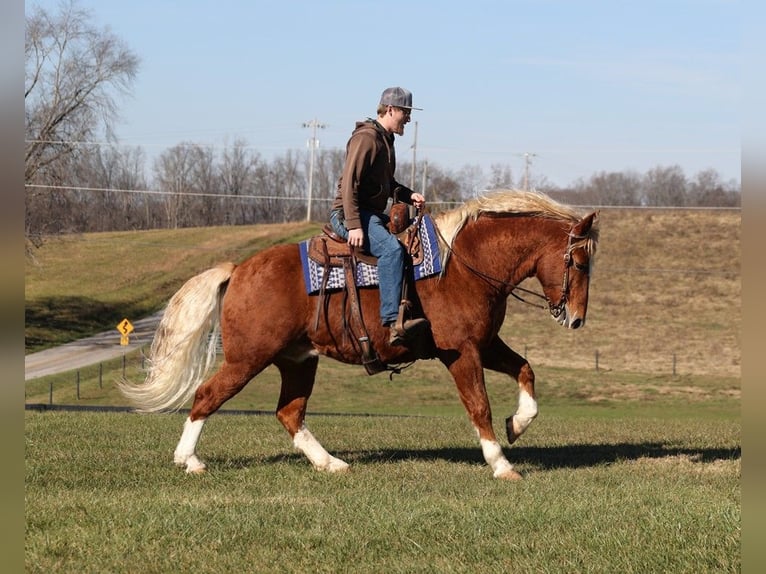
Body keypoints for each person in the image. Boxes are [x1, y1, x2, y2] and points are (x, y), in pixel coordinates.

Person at [329, 86, 430, 346]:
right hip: (348, 215)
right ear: (390, 109)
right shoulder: (366, 138)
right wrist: (354, 226)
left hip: (368, 214)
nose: (408, 118)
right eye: (405, 112)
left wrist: (410, 196)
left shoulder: (385, 139)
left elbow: (387, 183)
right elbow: (350, 183)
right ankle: (392, 322)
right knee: (392, 251)